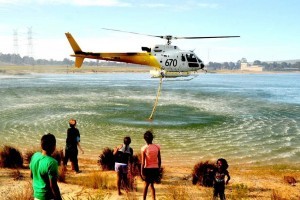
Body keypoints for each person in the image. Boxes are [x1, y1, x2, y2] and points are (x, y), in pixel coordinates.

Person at [30, 133, 62, 200]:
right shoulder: (52, 162)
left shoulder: (35, 156)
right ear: (54, 146)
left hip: (36, 196)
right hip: (47, 196)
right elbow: (53, 186)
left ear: (41, 145)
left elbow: (31, 175)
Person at [141, 130, 161, 200]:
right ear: (152, 138)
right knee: (152, 185)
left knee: (146, 185)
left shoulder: (144, 148)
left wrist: (141, 172)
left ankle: (144, 199)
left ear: (145, 139)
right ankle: (154, 198)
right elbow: (159, 160)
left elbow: (143, 162)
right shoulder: (157, 147)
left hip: (147, 169)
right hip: (155, 168)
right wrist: (158, 169)